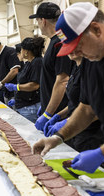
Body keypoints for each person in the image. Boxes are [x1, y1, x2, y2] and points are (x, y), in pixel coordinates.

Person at [33, 2, 104, 195]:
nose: (74, 54)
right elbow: (87, 108)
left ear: (95, 29)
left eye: (77, 45)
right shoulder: (91, 58)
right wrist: (58, 137)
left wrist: (102, 153)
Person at [29, 2, 74, 131]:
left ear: (43, 21)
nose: (38, 24)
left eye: (37, 21)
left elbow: (62, 80)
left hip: (58, 113)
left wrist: (48, 113)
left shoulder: (60, 43)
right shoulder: (53, 42)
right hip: (53, 109)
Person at [4, 37, 44, 122]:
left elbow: (34, 85)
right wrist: (17, 98)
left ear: (26, 51)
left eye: (21, 49)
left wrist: (16, 87)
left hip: (30, 107)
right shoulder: (29, 63)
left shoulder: (37, 62)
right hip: (24, 105)